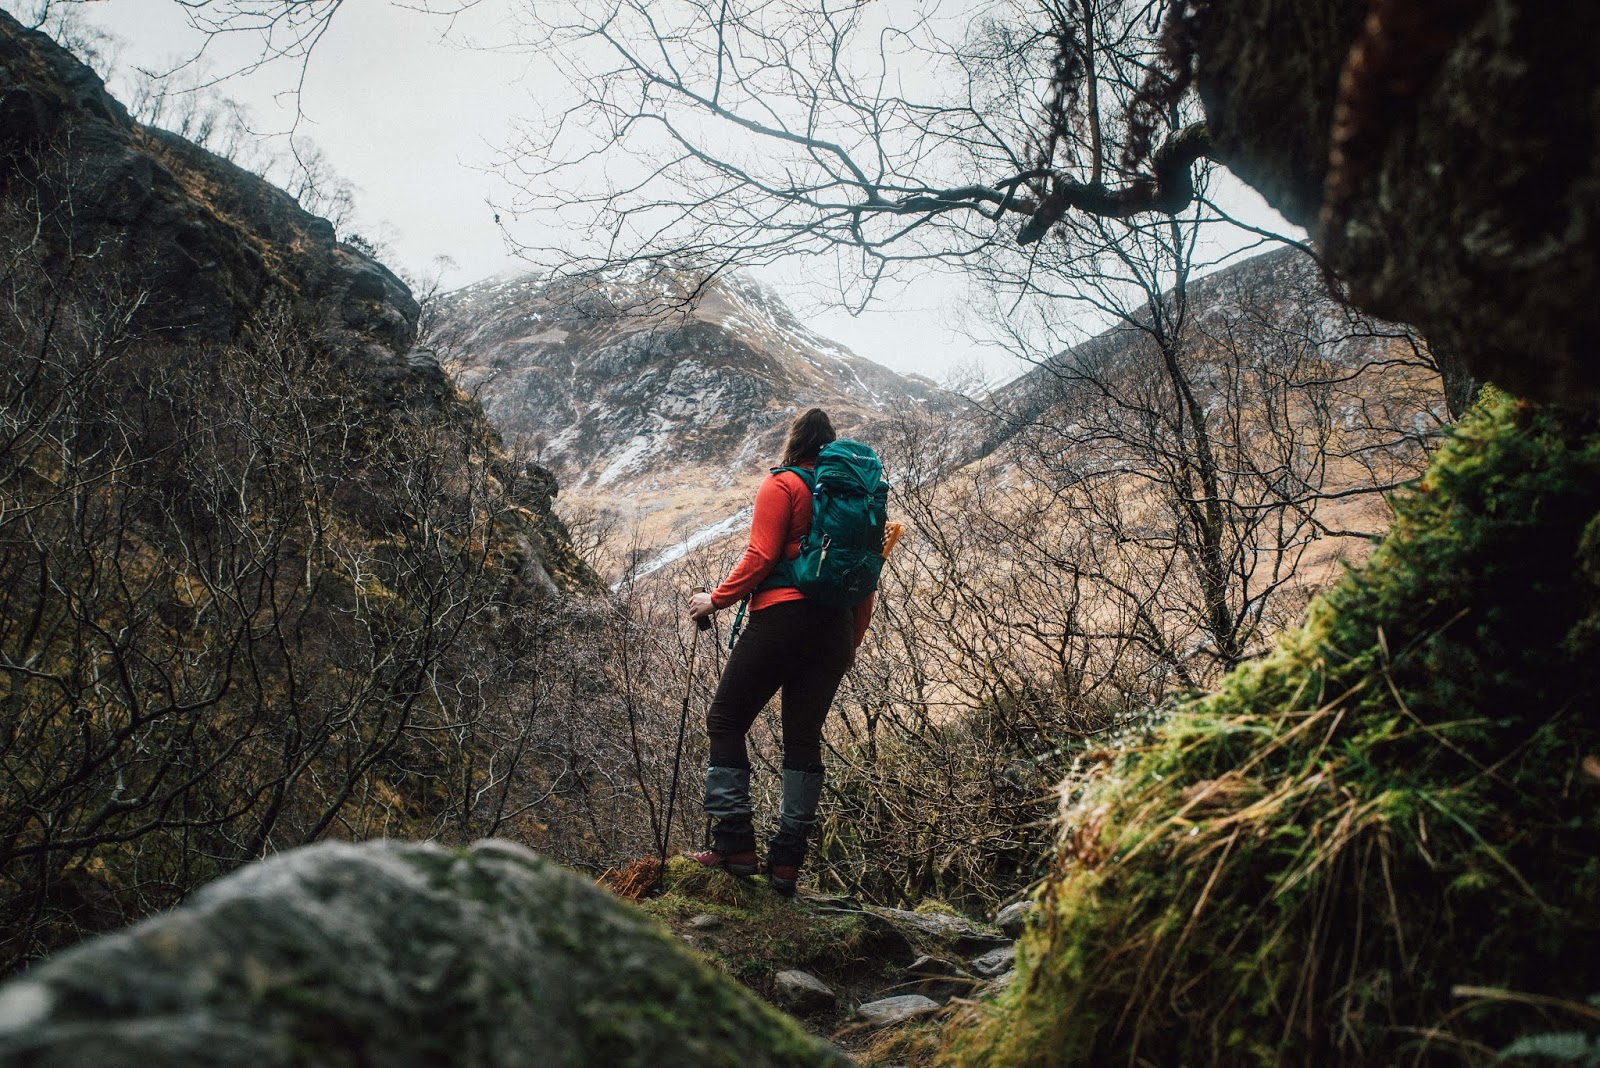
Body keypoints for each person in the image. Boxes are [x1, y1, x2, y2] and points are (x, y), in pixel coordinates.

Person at [686, 407, 874, 895]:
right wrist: (848, 643)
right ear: (830, 450)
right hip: (833, 630)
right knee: (803, 741)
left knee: (726, 721)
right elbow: (863, 580)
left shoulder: (783, 485)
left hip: (781, 620)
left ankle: (735, 844)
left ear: (794, 442)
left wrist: (716, 598)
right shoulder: (858, 503)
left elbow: (761, 555)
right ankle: (786, 864)